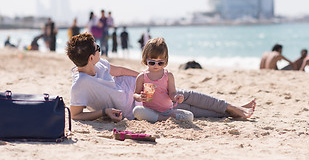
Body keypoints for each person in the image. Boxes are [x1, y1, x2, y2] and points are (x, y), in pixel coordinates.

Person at [66, 33, 256, 122]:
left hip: (145, 87)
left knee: (186, 95)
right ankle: (230, 111)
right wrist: (104, 111)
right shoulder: (81, 84)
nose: (100, 50)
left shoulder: (99, 64)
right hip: (138, 106)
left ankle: (231, 107)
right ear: (91, 57)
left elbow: (121, 71)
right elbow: (76, 115)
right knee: (187, 107)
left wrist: (144, 77)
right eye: (97, 49)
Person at [133, 37, 194, 122]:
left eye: (160, 63)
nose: (156, 65)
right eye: (152, 62)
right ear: (145, 59)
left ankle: (161, 118)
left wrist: (176, 97)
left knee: (190, 116)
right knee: (137, 110)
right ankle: (164, 119)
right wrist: (140, 97)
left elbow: (172, 93)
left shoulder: (168, 75)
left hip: (167, 111)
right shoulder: (142, 77)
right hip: (150, 111)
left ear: (165, 61)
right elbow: (135, 94)